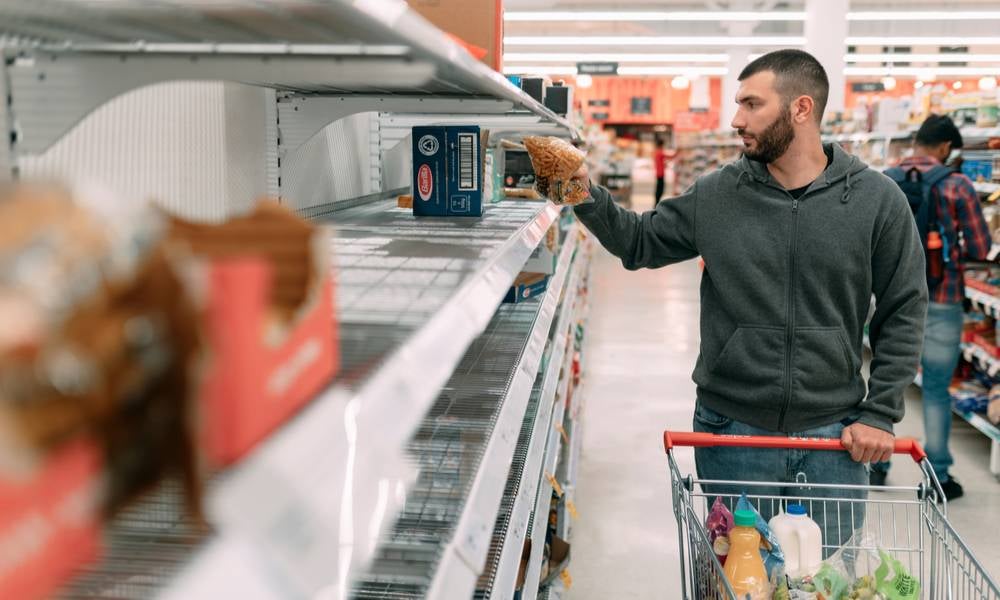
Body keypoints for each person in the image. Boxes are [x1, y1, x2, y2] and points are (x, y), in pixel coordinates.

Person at [570, 49, 928, 547]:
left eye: (751, 104)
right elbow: (638, 242)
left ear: (800, 109)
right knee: (736, 581)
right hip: (732, 429)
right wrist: (580, 189)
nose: (736, 120)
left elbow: (904, 307)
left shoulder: (876, 200)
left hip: (836, 436)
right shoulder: (719, 193)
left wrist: (881, 412)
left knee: (825, 582)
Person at [870, 115, 992, 500]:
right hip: (942, 298)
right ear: (943, 148)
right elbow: (979, 247)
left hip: (889, 300)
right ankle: (938, 474)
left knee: (887, 382)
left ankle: (877, 463)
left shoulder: (883, 179)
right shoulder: (958, 186)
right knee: (937, 389)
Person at [653, 138, 668, 207]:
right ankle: (656, 203)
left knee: (658, 189)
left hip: (658, 173)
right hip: (661, 173)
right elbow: (669, 156)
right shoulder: (660, 152)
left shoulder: (656, 152)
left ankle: (656, 203)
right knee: (660, 190)